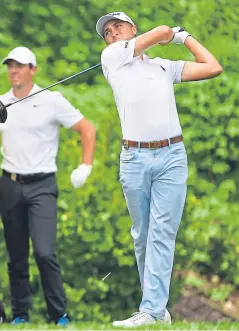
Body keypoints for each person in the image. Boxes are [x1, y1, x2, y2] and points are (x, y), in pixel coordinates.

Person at [95, 11, 223, 327]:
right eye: (107, 32)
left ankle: (151, 310)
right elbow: (160, 30)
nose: (112, 34)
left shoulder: (163, 67)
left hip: (172, 156)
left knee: (162, 233)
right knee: (143, 235)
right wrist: (167, 32)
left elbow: (213, 67)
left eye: (118, 27)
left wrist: (184, 38)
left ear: (132, 28)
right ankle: (156, 309)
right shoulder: (112, 58)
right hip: (134, 159)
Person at [0, 46, 97, 326]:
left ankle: (59, 315)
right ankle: (20, 315)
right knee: (17, 256)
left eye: (20, 66)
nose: (14, 71)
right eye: (10, 65)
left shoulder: (52, 100)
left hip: (42, 185)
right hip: (9, 184)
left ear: (33, 70)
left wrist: (85, 165)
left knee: (44, 252)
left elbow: (87, 128)